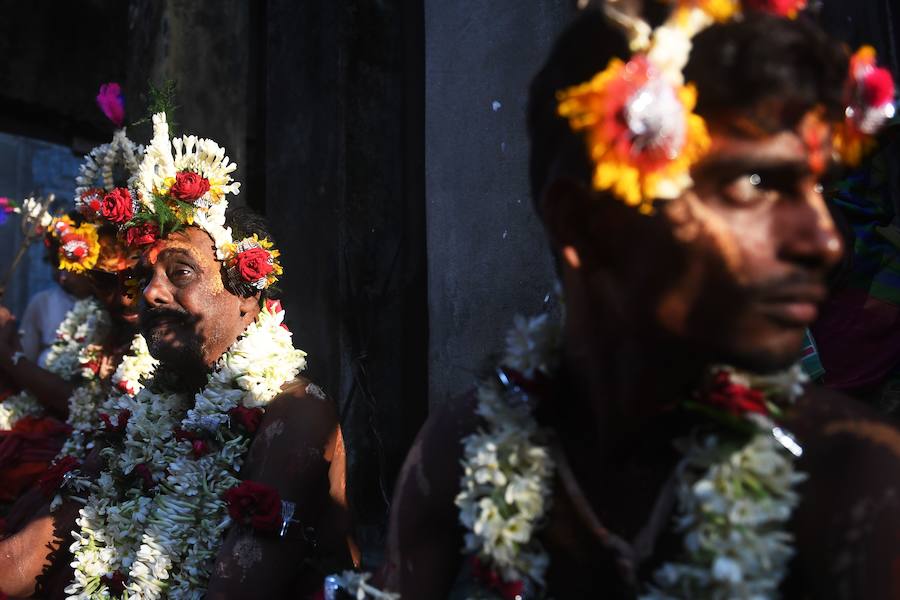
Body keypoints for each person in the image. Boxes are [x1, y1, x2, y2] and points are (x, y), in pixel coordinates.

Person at [371, 4, 900, 599]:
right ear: (585, 226)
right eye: (755, 184)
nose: (826, 240)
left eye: (816, 187)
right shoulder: (459, 457)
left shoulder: (852, 478)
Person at [0, 112, 357, 599]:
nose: (149, 294)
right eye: (144, 277)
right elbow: (20, 560)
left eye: (180, 273)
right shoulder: (137, 413)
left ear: (246, 295)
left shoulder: (294, 412)